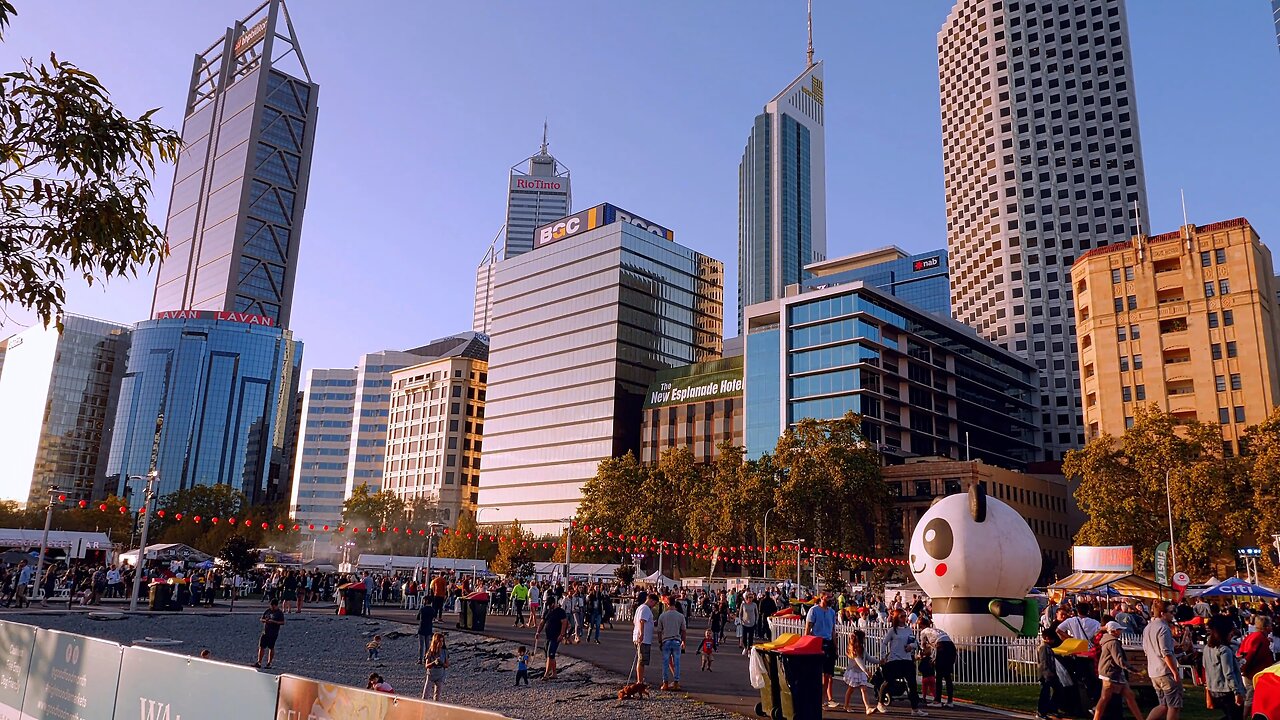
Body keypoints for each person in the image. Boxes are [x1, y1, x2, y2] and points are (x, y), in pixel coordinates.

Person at [1093, 621, 1144, 720]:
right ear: (1114, 631)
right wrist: (1133, 670)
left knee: (1128, 696)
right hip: (1111, 673)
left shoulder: (1107, 640)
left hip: (1111, 672)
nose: (1121, 631)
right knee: (1106, 698)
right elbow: (1119, 660)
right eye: (1119, 630)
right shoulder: (1113, 642)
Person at [880, 611, 926, 716]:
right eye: (901, 616)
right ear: (897, 618)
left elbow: (914, 642)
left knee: (912, 684)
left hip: (907, 660)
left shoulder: (908, 629)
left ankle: (914, 709)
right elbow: (884, 643)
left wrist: (911, 646)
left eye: (905, 616)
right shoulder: (893, 631)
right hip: (895, 660)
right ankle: (880, 702)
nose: (904, 618)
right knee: (888, 682)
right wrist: (883, 657)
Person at [1143, 600, 1183, 720]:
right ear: (1162, 613)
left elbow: (1146, 649)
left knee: (1163, 704)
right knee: (1174, 705)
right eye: (1171, 612)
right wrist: (1175, 672)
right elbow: (1166, 653)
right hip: (1165, 671)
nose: (1173, 615)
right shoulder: (1163, 628)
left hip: (1153, 671)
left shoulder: (1148, 627)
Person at [1204, 617, 1246, 720]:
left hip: (1214, 688)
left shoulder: (1207, 648)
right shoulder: (1224, 650)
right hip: (1227, 691)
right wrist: (1237, 692)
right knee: (1235, 716)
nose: (1232, 634)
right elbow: (1228, 673)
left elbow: (1206, 666)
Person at [806, 591, 840, 710]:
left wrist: (835, 647)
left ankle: (824, 698)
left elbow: (833, 630)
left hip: (829, 642)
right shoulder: (814, 610)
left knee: (828, 673)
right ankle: (814, 697)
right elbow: (808, 627)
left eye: (831, 597)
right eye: (828, 597)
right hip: (817, 642)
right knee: (816, 672)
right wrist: (807, 642)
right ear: (821, 598)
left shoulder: (831, 612)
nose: (830, 599)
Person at [1238, 614, 1274, 717]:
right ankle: (1244, 716)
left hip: (1252, 670)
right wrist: (1245, 669)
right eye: (1270, 625)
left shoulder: (1254, 636)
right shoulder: (1259, 638)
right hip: (1253, 672)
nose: (1272, 627)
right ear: (1266, 627)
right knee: (1251, 696)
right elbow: (1251, 654)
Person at [655, 594, 688, 691]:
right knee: (676, 662)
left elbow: (659, 630)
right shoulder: (680, 616)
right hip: (676, 640)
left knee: (666, 662)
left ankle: (665, 683)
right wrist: (683, 642)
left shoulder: (663, 615)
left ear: (667, 603)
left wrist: (660, 641)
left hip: (666, 640)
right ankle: (676, 682)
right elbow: (684, 630)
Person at [842, 628, 875, 714]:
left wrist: (879, 661)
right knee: (851, 689)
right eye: (864, 638)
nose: (865, 639)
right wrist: (866, 671)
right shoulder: (855, 650)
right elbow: (859, 662)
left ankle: (868, 707)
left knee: (864, 689)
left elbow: (868, 658)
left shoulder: (862, 649)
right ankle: (846, 704)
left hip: (860, 672)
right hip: (854, 671)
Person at [535, 596, 567, 680]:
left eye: (549, 605)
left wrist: (562, 634)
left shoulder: (560, 611)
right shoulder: (547, 611)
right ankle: (554, 673)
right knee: (548, 655)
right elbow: (542, 622)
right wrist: (538, 632)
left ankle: (546, 674)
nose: (548, 606)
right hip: (548, 636)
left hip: (556, 636)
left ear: (553, 603)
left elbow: (564, 623)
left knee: (550, 654)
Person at [1037, 628, 1064, 720]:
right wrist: (1047, 673)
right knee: (1045, 693)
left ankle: (1052, 708)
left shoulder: (1048, 647)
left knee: (1058, 689)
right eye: (1052, 639)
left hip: (1051, 673)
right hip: (1046, 674)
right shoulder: (1044, 648)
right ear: (1047, 638)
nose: (1053, 641)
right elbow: (1044, 662)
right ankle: (1041, 711)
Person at [633, 593, 657, 686]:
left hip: (638, 636)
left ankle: (641, 678)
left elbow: (635, 621)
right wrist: (642, 634)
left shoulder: (640, 608)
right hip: (643, 638)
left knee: (641, 659)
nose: (654, 606)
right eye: (654, 604)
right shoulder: (645, 608)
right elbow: (642, 621)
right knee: (641, 660)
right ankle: (640, 681)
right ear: (651, 600)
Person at [254, 598, 286, 669]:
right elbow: (261, 619)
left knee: (271, 647)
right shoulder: (268, 611)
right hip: (265, 632)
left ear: (276, 605)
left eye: (272, 606)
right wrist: (265, 620)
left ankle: (269, 663)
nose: (271, 607)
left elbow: (282, 622)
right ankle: (259, 662)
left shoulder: (279, 613)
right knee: (261, 647)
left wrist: (274, 622)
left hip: (273, 633)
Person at [422, 632, 449, 702]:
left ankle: (435, 710)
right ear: (435, 642)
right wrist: (434, 663)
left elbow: (447, 665)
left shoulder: (444, 651)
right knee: (425, 695)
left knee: (437, 696)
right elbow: (427, 665)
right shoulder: (430, 652)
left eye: (442, 641)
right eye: (439, 641)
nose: (441, 643)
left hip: (440, 676)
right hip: (431, 675)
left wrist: (442, 664)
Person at [416, 597, 436, 664]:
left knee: (421, 645)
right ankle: (426, 658)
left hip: (421, 628)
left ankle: (420, 659)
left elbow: (418, 617)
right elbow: (434, 617)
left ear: (426, 601)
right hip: (429, 628)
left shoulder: (422, 609)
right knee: (427, 645)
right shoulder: (432, 610)